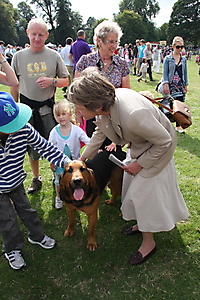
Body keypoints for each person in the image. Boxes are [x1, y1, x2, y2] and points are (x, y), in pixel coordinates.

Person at [67, 68, 189, 265]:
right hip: (141, 146)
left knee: (141, 195)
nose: (77, 112)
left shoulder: (133, 114)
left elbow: (164, 141)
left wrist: (140, 164)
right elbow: (100, 132)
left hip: (158, 149)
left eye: (79, 107)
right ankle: (142, 224)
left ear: (95, 105)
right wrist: (81, 161)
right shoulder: (105, 107)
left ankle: (149, 243)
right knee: (131, 188)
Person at [0, 92, 71, 270]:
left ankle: (37, 236)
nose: (19, 126)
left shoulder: (24, 129)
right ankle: (12, 249)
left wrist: (68, 163)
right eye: (12, 125)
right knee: (6, 219)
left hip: (16, 181)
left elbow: (45, 147)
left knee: (28, 210)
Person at [10, 18, 69, 194]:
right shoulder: (18, 57)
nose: (37, 38)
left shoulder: (54, 55)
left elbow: (66, 80)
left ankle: (57, 175)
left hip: (48, 109)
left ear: (46, 35)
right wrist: (14, 108)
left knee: (55, 144)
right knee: (31, 147)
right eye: (34, 34)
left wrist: (52, 81)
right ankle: (36, 177)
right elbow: (14, 84)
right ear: (28, 33)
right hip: (27, 110)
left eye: (41, 35)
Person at [75, 20, 130, 138]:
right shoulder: (85, 61)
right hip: (91, 116)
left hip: (114, 117)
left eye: (116, 42)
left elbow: (127, 93)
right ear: (99, 41)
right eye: (110, 42)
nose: (114, 46)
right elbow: (77, 92)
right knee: (93, 149)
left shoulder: (122, 64)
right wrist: (78, 114)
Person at [49, 99, 90, 209]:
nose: (61, 117)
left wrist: (95, 149)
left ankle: (74, 195)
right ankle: (58, 197)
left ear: (70, 114)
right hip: (59, 164)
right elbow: (50, 148)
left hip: (74, 163)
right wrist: (52, 162)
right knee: (58, 180)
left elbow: (87, 140)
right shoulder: (54, 132)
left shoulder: (76, 130)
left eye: (64, 114)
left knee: (74, 180)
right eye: (58, 115)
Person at [162, 36, 188, 134]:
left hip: (180, 85)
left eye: (181, 47)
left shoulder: (184, 59)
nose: (179, 49)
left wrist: (186, 85)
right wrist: (166, 84)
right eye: (178, 47)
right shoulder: (168, 59)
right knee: (169, 105)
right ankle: (166, 124)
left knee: (179, 107)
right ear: (173, 46)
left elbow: (185, 73)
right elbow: (165, 72)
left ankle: (178, 126)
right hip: (171, 85)